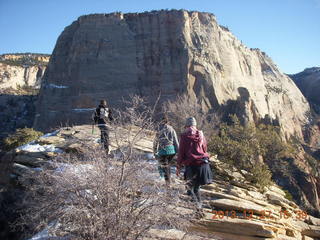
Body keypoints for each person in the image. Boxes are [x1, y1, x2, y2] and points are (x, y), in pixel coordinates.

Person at [176, 117, 213, 208]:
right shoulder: (201, 135)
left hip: (192, 166)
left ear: (187, 126)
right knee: (196, 189)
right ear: (195, 125)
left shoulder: (184, 137)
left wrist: (178, 167)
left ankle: (198, 210)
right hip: (204, 164)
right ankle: (199, 209)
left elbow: (181, 153)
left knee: (190, 190)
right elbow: (205, 149)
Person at [153, 114, 179, 187]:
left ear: (161, 121)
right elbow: (176, 141)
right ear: (168, 121)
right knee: (167, 166)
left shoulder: (159, 129)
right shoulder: (172, 129)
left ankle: (168, 184)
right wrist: (178, 152)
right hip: (171, 151)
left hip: (163, 150)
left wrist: (155, 152)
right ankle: (168, 181)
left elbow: (155, 142)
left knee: (164, 166)